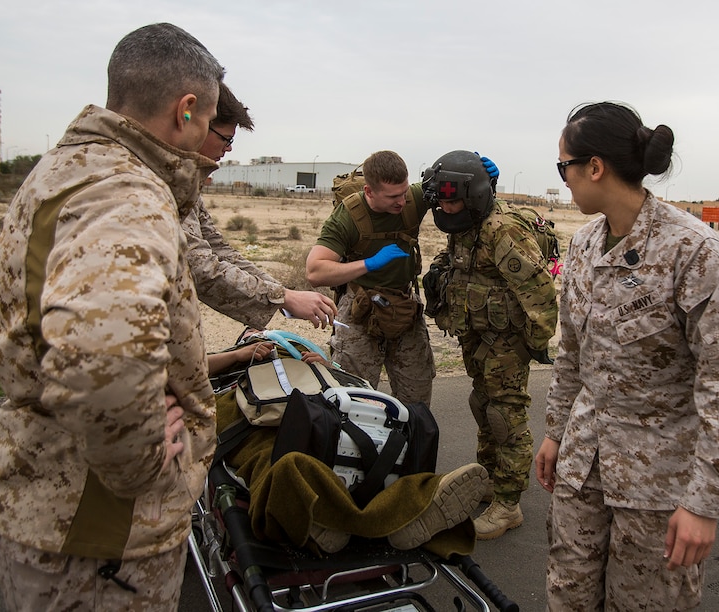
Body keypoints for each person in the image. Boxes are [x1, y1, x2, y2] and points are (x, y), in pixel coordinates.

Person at [0, 23, 224, 611]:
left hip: (56, 505)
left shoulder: (69, 171)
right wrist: (143, 466)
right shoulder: (126, 192)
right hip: (102, 534)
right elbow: (102, 356)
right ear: (186, 109)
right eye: (209, 121)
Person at [534, 101, 719, 610]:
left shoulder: (694, 252)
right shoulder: (585, 245)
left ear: (594, 167)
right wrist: (555, 431)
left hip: (658, 489)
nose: (563, 180)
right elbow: (572, 351)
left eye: (563, 167)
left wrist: (706, 502)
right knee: (567, 598)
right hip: (583, 469)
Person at [207, 338, 489, 556]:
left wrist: (329, 367)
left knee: (360, 450)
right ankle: (412, 509)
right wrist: (238, 355)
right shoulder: (236, 362)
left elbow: (357, 389)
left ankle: (324, 516)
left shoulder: (314, 361)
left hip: (326, 421)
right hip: (259, 423)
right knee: (284, 463)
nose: (269, 344)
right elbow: (191, 370)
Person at [421, 150, 558, 540]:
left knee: (506, 416)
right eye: (441, 200)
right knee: (482, 406)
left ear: (475, 194)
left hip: (505, 344)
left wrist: (527, 347)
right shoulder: (464, 227)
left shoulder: (502, 231)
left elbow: (542, 297)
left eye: (453, 199)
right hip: (477, 337)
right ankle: (491, 479)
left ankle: (508, 503)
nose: (446, 207)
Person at [185, 82, 337, 330]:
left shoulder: (185, 184)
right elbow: (201, 268)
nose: (230, 148)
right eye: (226, 138)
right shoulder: (153, 180)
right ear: (191, 121)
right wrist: (283, 297)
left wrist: (283, 293)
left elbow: (218, 249)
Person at [303, 150, 435, 407]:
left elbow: (449, 188)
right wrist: (368, 264)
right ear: (369, 192)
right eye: (393, 197)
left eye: (404, 193)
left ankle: (413, 445)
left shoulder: (412, 198)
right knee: (354, 395)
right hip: (360, 307)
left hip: (404, 305)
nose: (402, 202)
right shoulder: (349, 216)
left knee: (417, 396)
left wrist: (480, 172)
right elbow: (315, 271)